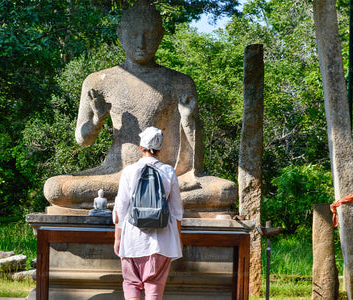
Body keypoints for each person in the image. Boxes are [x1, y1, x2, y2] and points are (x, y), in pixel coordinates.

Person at [43, 0, 237, 215]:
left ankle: (120, 203)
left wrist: (189, 120)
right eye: (133, 34)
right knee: (54, 188)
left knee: (226, 190)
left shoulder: (179, 82)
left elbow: (193, 164)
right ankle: (160, 201)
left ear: (161, 35)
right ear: (120, 34)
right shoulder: (98, 81)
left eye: (149, 35)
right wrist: (98, 121)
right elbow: (83, 140)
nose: (141, 43)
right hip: (117, 175)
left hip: (166, 175)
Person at [113, 127, 183, 300]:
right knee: (154, 287)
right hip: (161, 242)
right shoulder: (168, 171)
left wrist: (118, 239)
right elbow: (176, 211)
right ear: (159, 149)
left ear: (140, 147)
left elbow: (120, 209)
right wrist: (178, 240)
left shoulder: (129, 171)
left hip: (132, 240)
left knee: (131, 284)